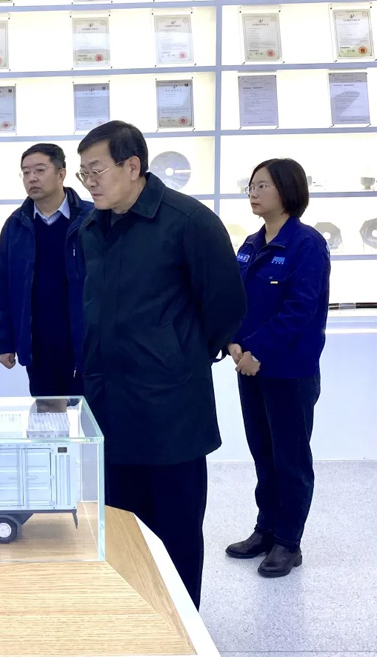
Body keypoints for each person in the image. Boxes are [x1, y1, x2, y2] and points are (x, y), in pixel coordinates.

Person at [77, 120, 246, 608]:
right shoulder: (91, 226)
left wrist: (176, 355)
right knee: (121, 525)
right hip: (108, 403)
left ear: (132, 166)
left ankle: (179, 625)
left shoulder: (188, 221)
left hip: (171, 407)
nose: (88, 182)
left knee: (175, 527)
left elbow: (225, 306)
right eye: (84, 172)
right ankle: (136, 619)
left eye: (96, 170)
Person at [225, 158, 330, 578]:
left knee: (290, 459)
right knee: (263, 454)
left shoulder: (306, 244)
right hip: (249, 368)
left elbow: (299, 310)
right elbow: (236, 299)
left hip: (288, 371)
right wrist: (233, 342)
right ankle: (265, 529)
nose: (253, 193)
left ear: (287, 190)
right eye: (251, 186)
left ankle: (289, 541)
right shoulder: (251, 243)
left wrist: (257, 351)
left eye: (262, 186)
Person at [0, 144, 93, 398]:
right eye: (26, 172)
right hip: (38, 341)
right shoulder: (16, 224)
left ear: (61, 174)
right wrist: (4, 341)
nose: (32, 178)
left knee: (91, 413)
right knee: (47, 412)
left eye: (39, 170)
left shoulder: (91, 218)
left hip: (85, 339)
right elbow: (2, 287)